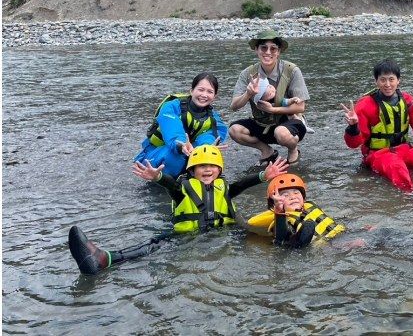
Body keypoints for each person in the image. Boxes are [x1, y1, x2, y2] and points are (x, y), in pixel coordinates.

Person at [68, 145, 288, 275]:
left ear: (219, 169)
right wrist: (158, 177)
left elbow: (242, 185)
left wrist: (263, 176)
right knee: (152, 245)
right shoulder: (183, 189)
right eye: (201, 166)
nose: (207, 170)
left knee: (260, 236)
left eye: (212, 166)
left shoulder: (225, 188)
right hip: (185, 236)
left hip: (224, 233)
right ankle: (103, 259)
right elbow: (171, 185)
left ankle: (289, 241)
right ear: (192, 171)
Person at [247, 173, 413, 248]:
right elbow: (283, 239)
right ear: (275, 202)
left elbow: (331, 223)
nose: (292, 197)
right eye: (285, 195)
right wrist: (278, 211)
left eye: (296, 193)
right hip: (332, 247)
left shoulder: (310, 208)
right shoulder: (278, 220)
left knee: (384, 232)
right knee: (378, 245)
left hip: (344, 234)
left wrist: (358, 228)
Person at [342, 60, 413, 190]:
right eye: (383, 80)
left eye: (391, 79)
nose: (387, 84)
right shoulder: (364, 105)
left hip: (404, 150)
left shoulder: (407, 100)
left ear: (398, 80)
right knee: (396, 167)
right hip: (378, 154)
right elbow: (353, 144)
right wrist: (353, 127)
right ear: (376, 81)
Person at [229, 29, 310, 167]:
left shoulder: (292, 71)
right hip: (262, 123)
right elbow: (234, 106)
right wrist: (248, 94)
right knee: (234, 130)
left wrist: (273, 110)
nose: (268, 52)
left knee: (281, 133)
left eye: (273, 49)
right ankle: (267, 151)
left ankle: (293, 149)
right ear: (256, 49)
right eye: (264, 48)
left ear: (278, 52)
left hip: (289, 123)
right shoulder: (247, 74)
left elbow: (300, 107)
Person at [134, 72, 229, 178]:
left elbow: (215, 133)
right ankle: (164, 181)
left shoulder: (213, 117)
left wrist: (206, 147)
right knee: (176, 156)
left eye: (210, 92)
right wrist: (182, 145)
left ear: (214, 96)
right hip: (157, 154)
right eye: (200, 90)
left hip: (187, 153)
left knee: (210, 154)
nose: (204, 95)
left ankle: (191, 178)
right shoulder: (170, 107)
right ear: (192, 91)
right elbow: (173, 132)